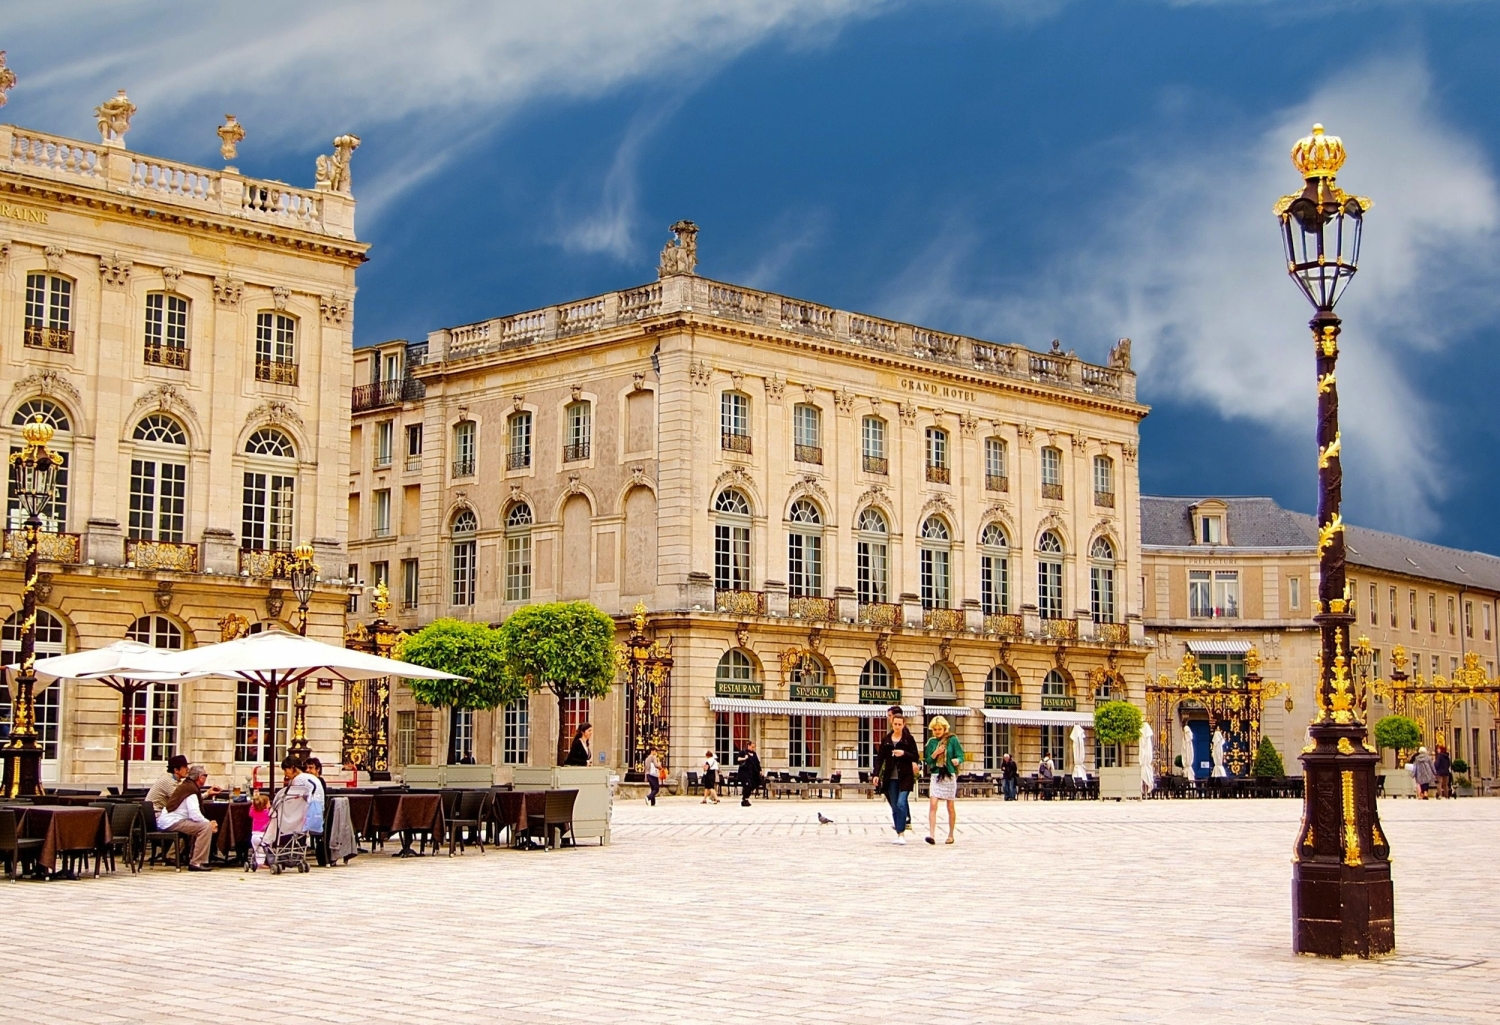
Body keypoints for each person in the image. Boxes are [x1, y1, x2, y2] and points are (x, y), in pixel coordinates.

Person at [157, 764, 219, 871]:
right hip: (172, 821)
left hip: (170, 819)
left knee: (202, 826)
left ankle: (193, 857)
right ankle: (197, 862)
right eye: (205, 775)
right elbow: (194, 814)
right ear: (200, 777)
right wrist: (208, 823)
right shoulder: (191, 791)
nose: (205, 778)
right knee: (205, 827)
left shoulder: (188, 786)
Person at [871, 706, 919, 844]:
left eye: (900, 724)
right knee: (894, 805)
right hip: (890, 777)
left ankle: (902, 830)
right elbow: (880, 758)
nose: (897, 726)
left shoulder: (908, 739)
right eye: (895, 724)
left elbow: (915, 756)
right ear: (892, 724)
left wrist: (903, 754)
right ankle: (900, 833)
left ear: (903, 724)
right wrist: (876, 774)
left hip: (905, 776)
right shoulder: (886, 739)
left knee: (901, 803)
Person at [923, 716, 964, 845]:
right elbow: (928, 761)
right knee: (933, 804)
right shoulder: (931, 742)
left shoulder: (953, 740)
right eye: (934, 729)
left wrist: (957, 760)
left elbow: (960, 755)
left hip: (949, 775)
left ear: (945, 728)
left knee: (950, 806)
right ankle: (932, 834)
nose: (937, 732)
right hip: (936, 774)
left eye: (939, 729)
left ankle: (951, 834)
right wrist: (935, 753)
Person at [248, 792, 272, 867]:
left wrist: (254, 804)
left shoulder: (254, 812)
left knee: (257, 851)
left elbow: (250, 812)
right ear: (265, 805)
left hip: (254, 835)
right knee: (262, 851)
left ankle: (258, 863)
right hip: (263, 835)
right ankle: (261, 864)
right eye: (269, 802)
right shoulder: (268, 813)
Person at [738, 741, 763, 807]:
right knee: (747, 785)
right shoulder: (743, 752)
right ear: (748, 746)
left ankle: (746, 798)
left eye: (754, 747)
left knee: (753, 784)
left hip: (752, 773)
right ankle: (745, 799)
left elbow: (757, 763)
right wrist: (745, 758)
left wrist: (760, 770)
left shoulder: (754, 754)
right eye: (752, 747)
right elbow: (737, 759)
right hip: (744, 772)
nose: (753, 748)